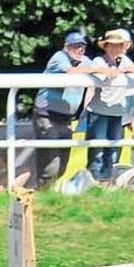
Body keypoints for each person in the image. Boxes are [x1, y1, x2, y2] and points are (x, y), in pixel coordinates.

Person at [83, 29, 134, 183]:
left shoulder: (125, 60)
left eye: (118, 46)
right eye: (111, 46)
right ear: (105, 47)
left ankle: (108, 180)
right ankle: (95, 181)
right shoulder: (99, 61)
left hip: (117, 111)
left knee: (114, 149)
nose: (115, 49)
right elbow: (98, 73)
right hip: (99, 111)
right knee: (97, 149)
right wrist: (107, 71)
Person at [32, 31, 92, 190]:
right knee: (51, 163)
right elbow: (71, 72)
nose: (79, 50)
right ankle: (43, 195)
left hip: (66, 118)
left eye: (82, 47)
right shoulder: (59, 57)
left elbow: (100, 72)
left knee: (63, 164)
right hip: (47, 116)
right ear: (66, 47)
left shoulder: (85, 61)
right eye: (75, 46)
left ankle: (49, 194)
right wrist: (98, 69)